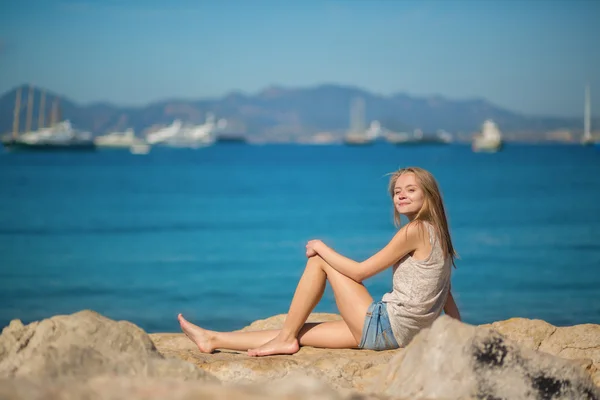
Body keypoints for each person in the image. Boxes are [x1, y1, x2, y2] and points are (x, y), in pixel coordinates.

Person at [178, 166, 461, 357]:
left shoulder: (415, 230)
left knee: (318, 262)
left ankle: (285, 339)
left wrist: (322, 248)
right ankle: (213, 339)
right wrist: (458, 334)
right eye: (397, 191)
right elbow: (444, 292)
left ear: (429, 195)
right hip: (405, 336)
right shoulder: (440, 236)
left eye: (410, 190)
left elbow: (361, 272)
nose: (401, 194)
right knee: (300, 331)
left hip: (386, 328)